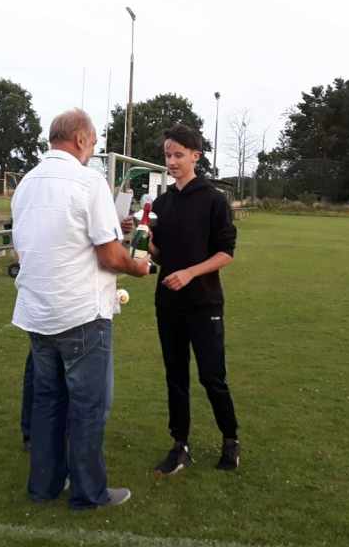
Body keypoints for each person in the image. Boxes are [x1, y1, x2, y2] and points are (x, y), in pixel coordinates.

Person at [12, 108, 152, 510]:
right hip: (81, 315)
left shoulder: (26, 183)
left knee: (47, 403)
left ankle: (43, 486)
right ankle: (89, 493)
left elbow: (27, 245)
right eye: (92, 143)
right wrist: (138, 268)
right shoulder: (88, 181)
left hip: (37, 313)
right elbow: (110, 255)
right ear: (79, 139)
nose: (92, 151)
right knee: (88, 407)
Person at [149, 123, 241, 475]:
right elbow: (159, 255)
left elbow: (226, 253)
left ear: (195, 156)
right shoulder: (161, 203)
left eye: (178, 155)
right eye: (167, 155)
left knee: (212, 376)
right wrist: (142, 239)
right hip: (168, 305)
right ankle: (180, 444)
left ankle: (230, 439)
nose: (171, 161)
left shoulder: (214, 200)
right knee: (176, 376)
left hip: (204, 304)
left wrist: (190, 272)